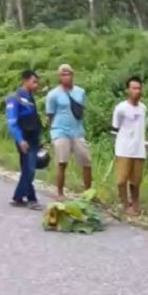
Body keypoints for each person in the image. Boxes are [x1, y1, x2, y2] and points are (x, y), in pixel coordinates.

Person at [45, 63, 92, 199]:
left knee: (86, 161)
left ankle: (88, 193)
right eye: (63, 74)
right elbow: (50, 115)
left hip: (77, 130)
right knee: (62, 161)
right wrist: (53, 132)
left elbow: (80, 111)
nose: (66, 77)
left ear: (72, 75)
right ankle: (60, 192)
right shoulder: (53, 95)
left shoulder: (80, 92)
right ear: (59, 77)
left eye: (68, 74)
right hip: (60, 130)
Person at [6, 69, 44, 210]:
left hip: (33, 138)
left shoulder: (29, 97)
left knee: (28, 169)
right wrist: (20, 140)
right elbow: (12, 122)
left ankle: (18, 198)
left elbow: (34, 119)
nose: (36, 85)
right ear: (25, 81)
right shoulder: (15, 98)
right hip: (24, 139)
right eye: (34, 82)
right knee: (30, 169)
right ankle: (31, 199)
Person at [111, 76, 148, 215]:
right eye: (134, 88)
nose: (137, 91)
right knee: (121, 180)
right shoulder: (120, 108)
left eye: (139, 88)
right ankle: (125, 204)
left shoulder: (143, 108)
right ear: (128, 90)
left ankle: (136, 204)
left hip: (139, 149)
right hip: (123, 148)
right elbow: (115, 127)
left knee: (136, 181)